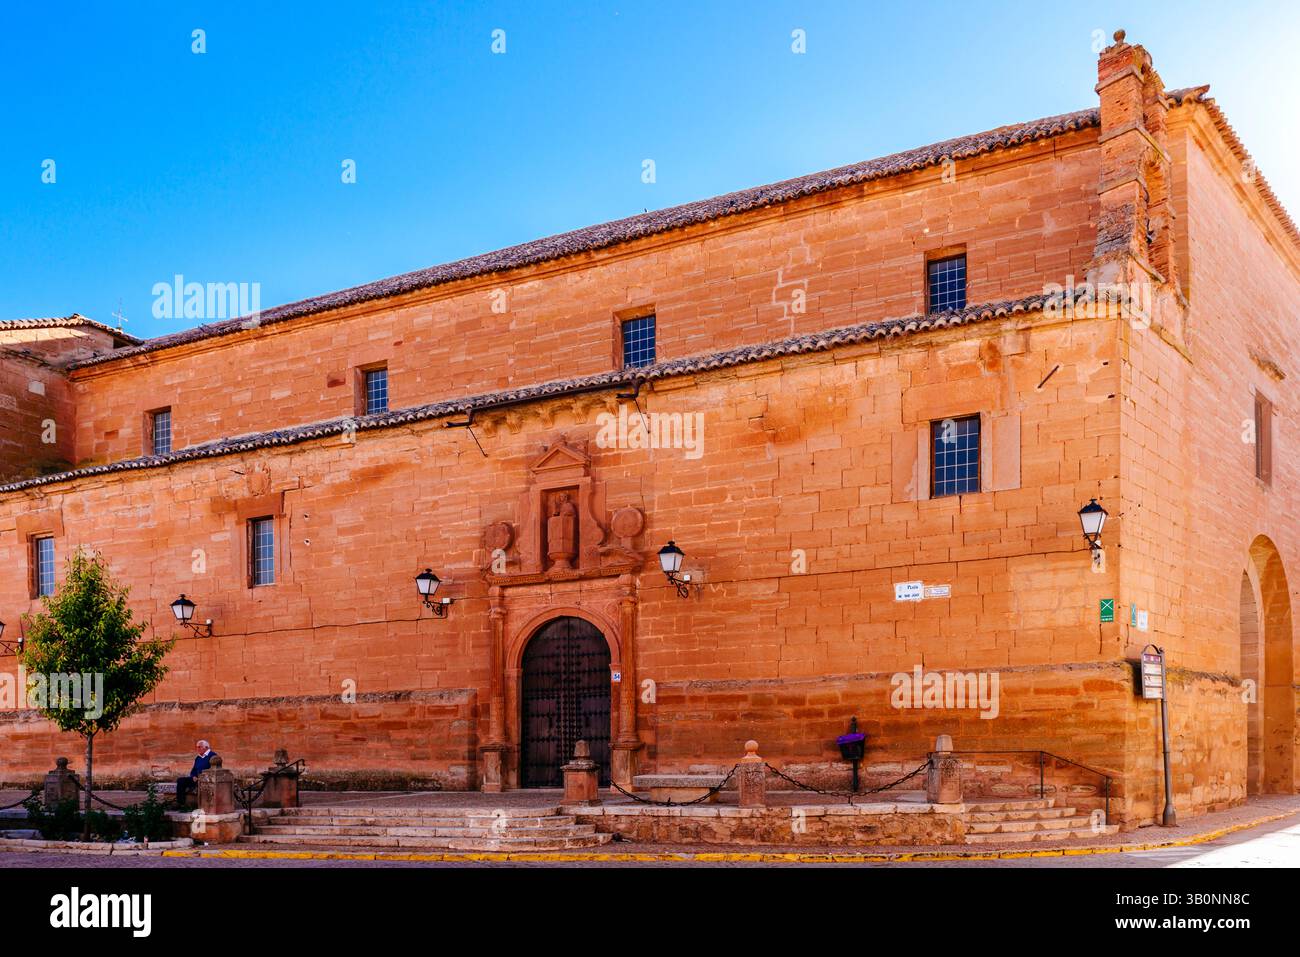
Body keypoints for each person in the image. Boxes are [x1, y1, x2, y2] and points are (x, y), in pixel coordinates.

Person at [176, 739, 217, 806]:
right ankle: (181, 804)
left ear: (206, 747)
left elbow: (213, 770)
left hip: (206, 780)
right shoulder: (198, 757)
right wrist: (193, 776)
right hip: (197, 779)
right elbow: (193, 770)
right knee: (180, 781)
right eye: (197, 747)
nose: (197, 749)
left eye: (199, 747)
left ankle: (205, 805)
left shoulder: (213, 756)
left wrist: (201, 777)